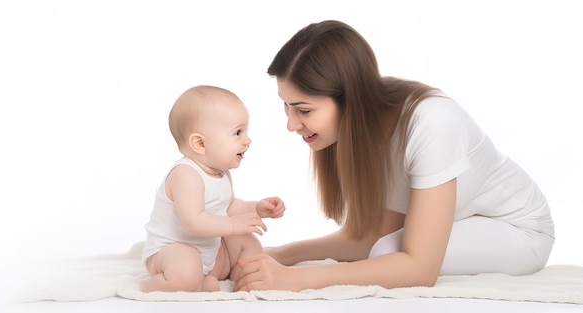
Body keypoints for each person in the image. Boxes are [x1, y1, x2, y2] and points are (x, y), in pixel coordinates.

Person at [232, 20, 555, 292]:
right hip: (467, 219)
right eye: (286, 106)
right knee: (383, 247)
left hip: (520, 231)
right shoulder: (359, 128)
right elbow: (369, 234)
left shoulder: (432, 123)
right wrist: (282, 253)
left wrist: (295, 279)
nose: (290, 124)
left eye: (303, 110)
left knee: (387, 253)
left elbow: (418, 269)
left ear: (350, 99)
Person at [141, 85, 285, 292]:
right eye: (237, 132)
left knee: (247, 243)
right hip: (171, 251)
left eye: (245, 131)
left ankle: (237, 277)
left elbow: (230, 206)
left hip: (208, 249)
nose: (247, 140)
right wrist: (233, 225)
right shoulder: (185, 174)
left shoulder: (221, 172)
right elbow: (194, 221)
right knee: (186, 269)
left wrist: (257, 208)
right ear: (200, 143)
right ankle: (173, 285)